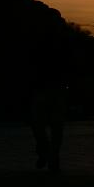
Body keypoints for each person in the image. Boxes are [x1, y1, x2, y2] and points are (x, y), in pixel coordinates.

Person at [29, 9, 70, 172]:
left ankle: (49, 153)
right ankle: (49, 153)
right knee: (50, 126)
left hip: (50, 87)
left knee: (47, 125)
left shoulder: (59, 41)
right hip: (47, 87)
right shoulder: (57, 41)